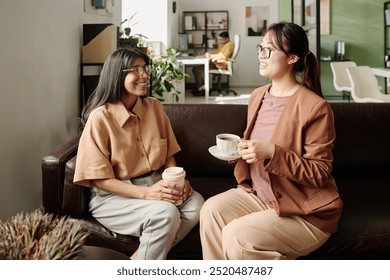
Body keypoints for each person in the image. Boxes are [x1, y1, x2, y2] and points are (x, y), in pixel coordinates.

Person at [200, 22, 343, 260]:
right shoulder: (258, 96)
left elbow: (319, 173)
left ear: (292, 57)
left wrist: (272, 153)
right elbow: (257, 148)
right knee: (210, 210)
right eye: (260, 47)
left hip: (302, 210)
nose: (260, 54)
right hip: (259, 195)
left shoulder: (316, 107)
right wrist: (242, 150)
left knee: (237, 238)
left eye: (268, 49)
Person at [73, 47, 204, 260]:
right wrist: (147, 194)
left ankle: (138, 259)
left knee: (196, 204)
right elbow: (98, 179)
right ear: (117, 74)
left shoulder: (154, 107)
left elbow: (169, 154)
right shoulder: (100, 118)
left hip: (154, 183)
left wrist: (178, 182)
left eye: (145, 68)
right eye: (136, 69)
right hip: (113, 197)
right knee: (166, 214)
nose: (145, 75)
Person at [191, 31, 234, 96]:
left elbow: (224, 56)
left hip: (219, 65)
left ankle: (201, 89)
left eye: (221, 39)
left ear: (227, 39)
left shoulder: (229, 45)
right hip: (215, 63)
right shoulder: (223, 45)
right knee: (195, 68)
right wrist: (208, 55)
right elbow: (217, 53)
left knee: (197, 70)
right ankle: (201, 88)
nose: (220, 41)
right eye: (219, 39)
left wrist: (210, 56)